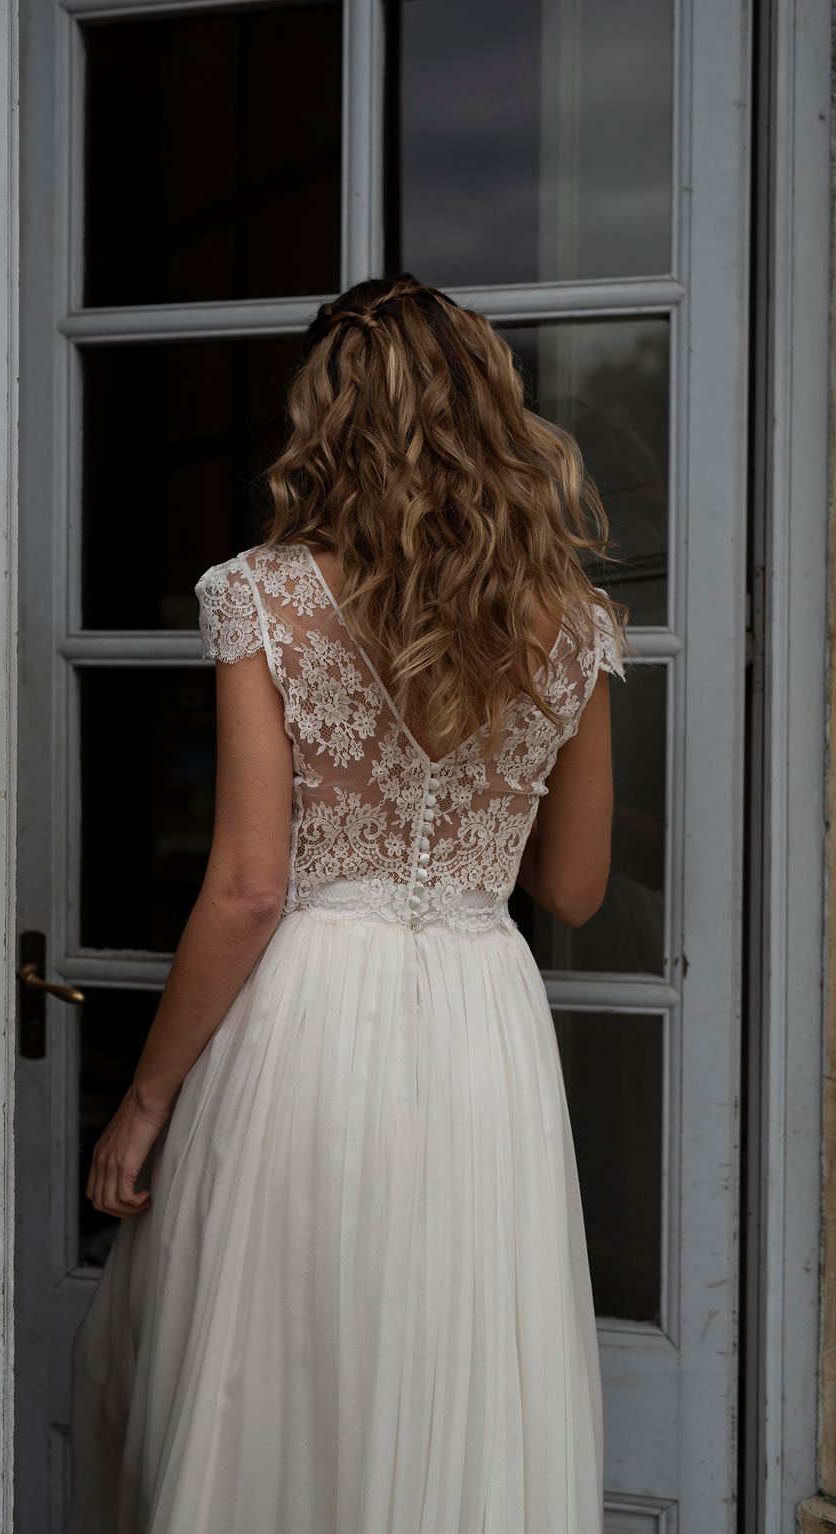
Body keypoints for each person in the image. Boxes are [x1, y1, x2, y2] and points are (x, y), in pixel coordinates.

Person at [68, 273, 628, 1534]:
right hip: (485, 1020)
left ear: (327, 419)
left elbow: (251, 885)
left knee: (281, 1369)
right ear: (491, 408)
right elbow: (576, 890)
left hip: (314, 1019)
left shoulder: (263, 597)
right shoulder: (576, 625)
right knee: (460, 1366)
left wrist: (144, 1103)